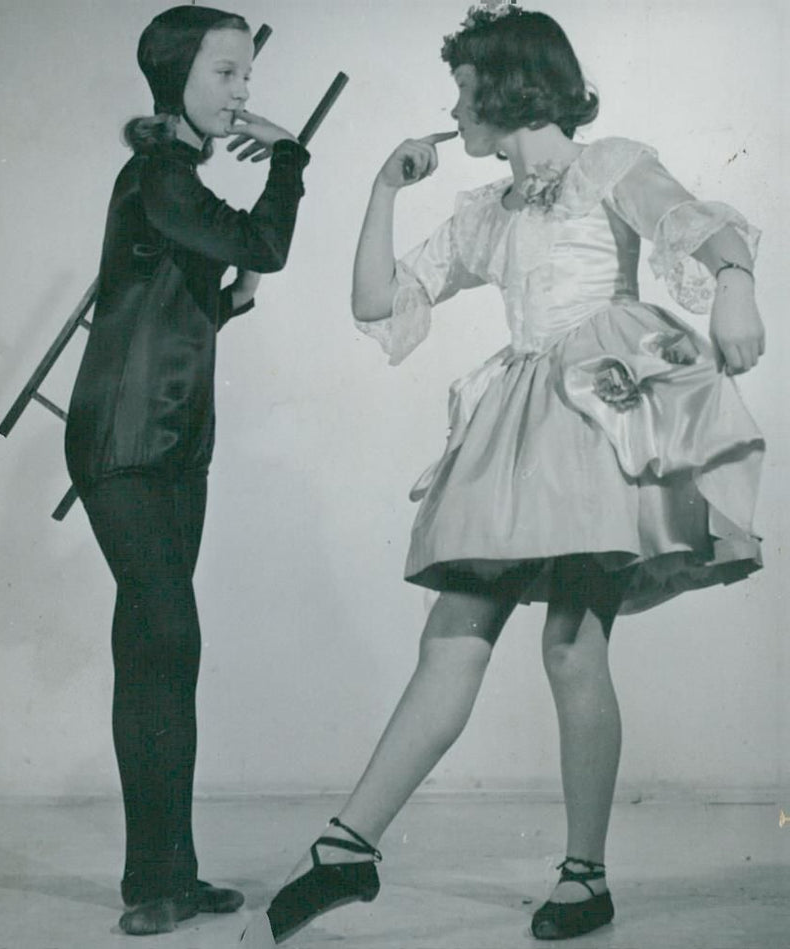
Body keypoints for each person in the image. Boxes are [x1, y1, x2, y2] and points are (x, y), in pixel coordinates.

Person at [264, 5, 765, 943]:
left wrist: (735, 287)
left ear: (504, 87)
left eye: (463, 89)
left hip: (598, 418)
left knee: (572, 646)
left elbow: (698, 228)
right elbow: (376, 299)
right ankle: (347, 846)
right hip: (519, 430)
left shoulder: (609, 164)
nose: (454, 109)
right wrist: (381, 189)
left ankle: (584, 874)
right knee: (453, 634)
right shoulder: (484, 212)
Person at [64, 6, 310, 936]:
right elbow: (265, 242)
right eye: (226, 74)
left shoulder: (174, 181)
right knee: (167, 642)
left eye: (247, 75)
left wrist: (229, 294)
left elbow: (173, 299)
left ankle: (167, 874)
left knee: (160, 652)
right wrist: (288, 159)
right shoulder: (160, 173)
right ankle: (155, 880)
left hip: (170, 441)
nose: (242, 92)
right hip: (124, 442)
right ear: (176, 78)